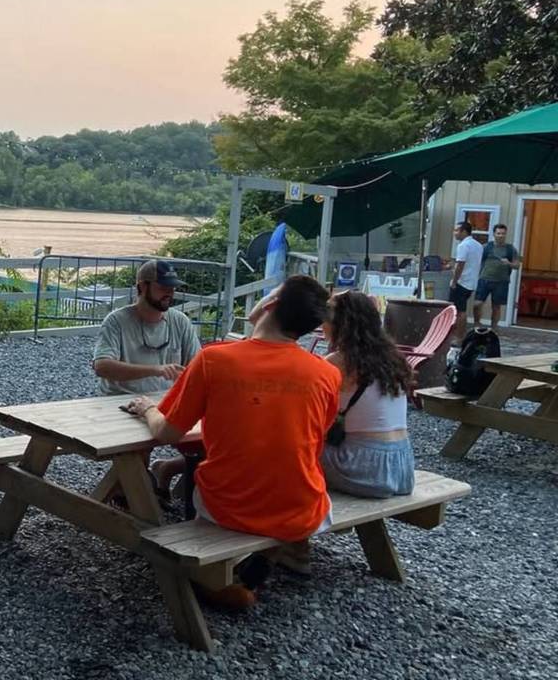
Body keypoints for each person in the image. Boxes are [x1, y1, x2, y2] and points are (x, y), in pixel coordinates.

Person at [123, 275, 339, 608]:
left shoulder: (215, 360)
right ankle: (269, 556)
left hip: (232, 505)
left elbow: (167, 433)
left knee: (209, 484)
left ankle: (219, 578)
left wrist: (147, 408)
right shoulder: (326, 373)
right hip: (305, 505)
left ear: (270, 305)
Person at [320, 290, 415, 499]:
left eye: (326, 315)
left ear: (341, 324)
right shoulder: (394, 358)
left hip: (364, 466)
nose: (321, 322)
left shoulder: (338, 363)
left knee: (289, 452)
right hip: (402, 466)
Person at [91, 259, 201, 396]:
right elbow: (102, 367)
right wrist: (155, 370)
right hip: (121, 401)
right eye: (163, 287)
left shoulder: (181, 321)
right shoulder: (116, 321)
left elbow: (197, 367)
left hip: (165, 401)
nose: (170, 293)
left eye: (173, 288)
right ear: (142, 287)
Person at [473, 224, 520, 329]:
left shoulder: (510, 249)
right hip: (484, 279)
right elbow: (476, 261)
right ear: (494, 234)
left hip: (501, 281)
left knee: (496, 307)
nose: (501, 236)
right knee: (477, 304)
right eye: (498, 233)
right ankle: (477, 324)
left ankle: (494, 329)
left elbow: (517, 265)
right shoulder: (486, 247)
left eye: (503, 233)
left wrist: (509, 263)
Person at [449, 221, 483, 342]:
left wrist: (454, 281)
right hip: (472, 282)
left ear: (464, 232)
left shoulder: (463, 246)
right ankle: (460, 335)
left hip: (462, 282)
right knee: (461, 309)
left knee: (459, 311)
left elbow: (460, 265)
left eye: (457, 230)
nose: (455, 233)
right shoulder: (478, 245)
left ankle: (458, 337)